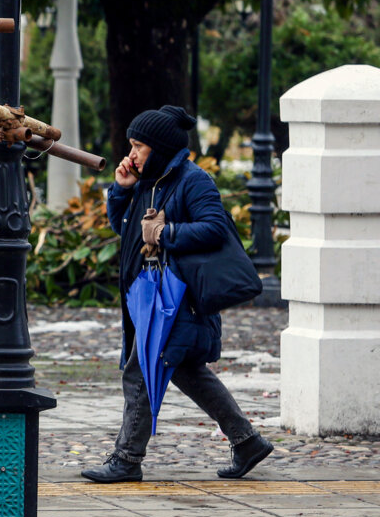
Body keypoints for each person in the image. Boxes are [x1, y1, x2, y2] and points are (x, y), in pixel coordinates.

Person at [82, 105, 273, 484]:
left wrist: (166, 233)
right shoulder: (151, 181)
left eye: (139, 146)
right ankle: (246, 441)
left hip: (177, 300)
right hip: (152, 297)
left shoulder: (191, 180)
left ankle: (126, 459)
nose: (132, 154)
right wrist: (120, 192)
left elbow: (214, 228)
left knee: (141, 372)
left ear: (161, 147)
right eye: (131, 145)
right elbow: (128, 231)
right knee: (187, 372)